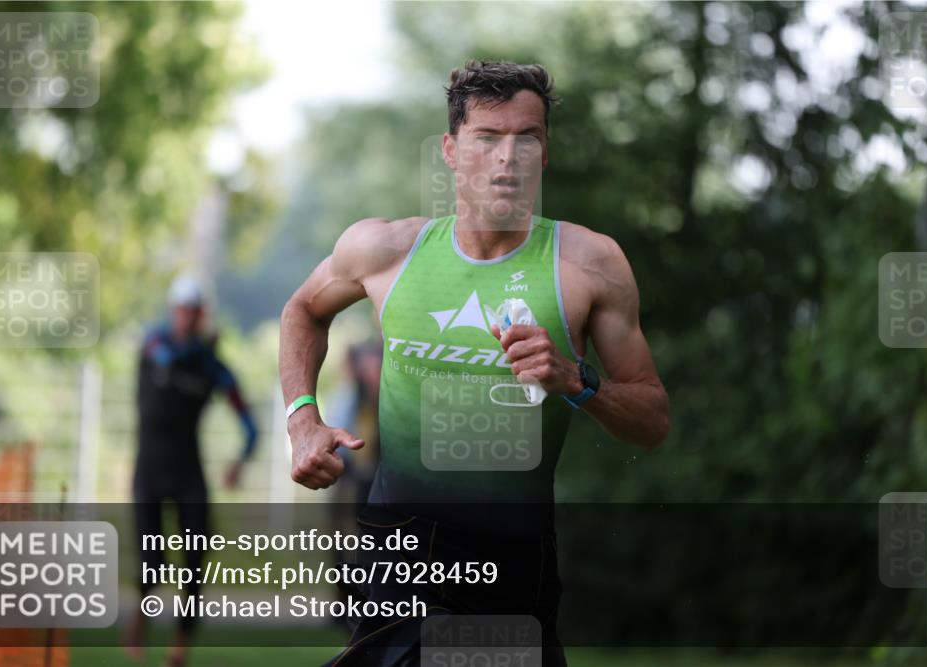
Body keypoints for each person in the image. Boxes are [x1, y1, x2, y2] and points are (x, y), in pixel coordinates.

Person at [279, 61, 669, 665]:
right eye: (488, 139)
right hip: (396, 539)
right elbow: (304, 310)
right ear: (452, 150)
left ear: (546, 153)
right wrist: (303, 418)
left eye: (527, 139)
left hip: (514, 553)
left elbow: (651, 419)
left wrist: (575, 380)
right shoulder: (385, 251)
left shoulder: (590, 265)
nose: (507, 158)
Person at [125, 273, 259, 667]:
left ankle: (180, 646)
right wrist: (202, 350)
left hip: (188, 474)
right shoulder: (154, 344)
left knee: (194, 563)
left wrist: (239, 462)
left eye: (193, 311)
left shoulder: (213, 367)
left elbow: (250, 425)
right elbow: (170, 357)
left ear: (202, 313)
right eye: (181, 309)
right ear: (173, 310)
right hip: (148, 470)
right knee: (153, 563)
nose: (186, 317)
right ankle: (139, 622)